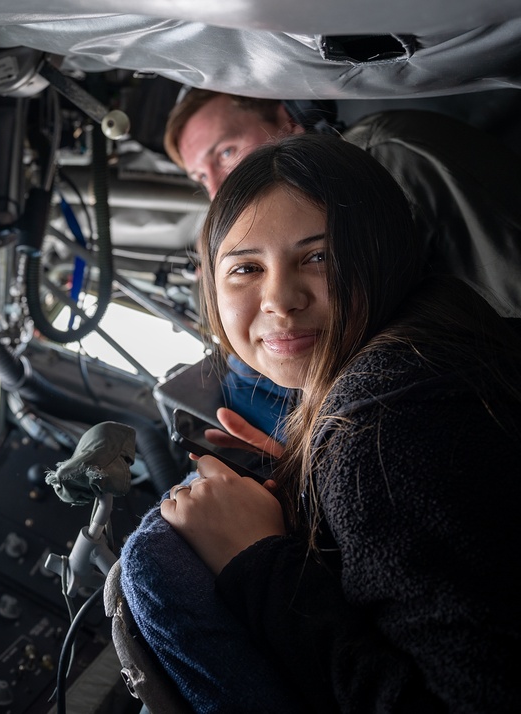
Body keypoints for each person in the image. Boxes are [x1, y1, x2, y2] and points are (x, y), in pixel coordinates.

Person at [121, 133, 521, 712]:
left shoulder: (385, 433)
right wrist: (311, 475)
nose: (280, 299)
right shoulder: (444, 343)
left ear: (384, 253)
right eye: (246, 268)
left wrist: (255, 562)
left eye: (319, 257)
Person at [164, 89, 521, 318]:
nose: (217, 190)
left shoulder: (376, 161)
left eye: (226, 153)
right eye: (201, 177)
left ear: (289, 121)